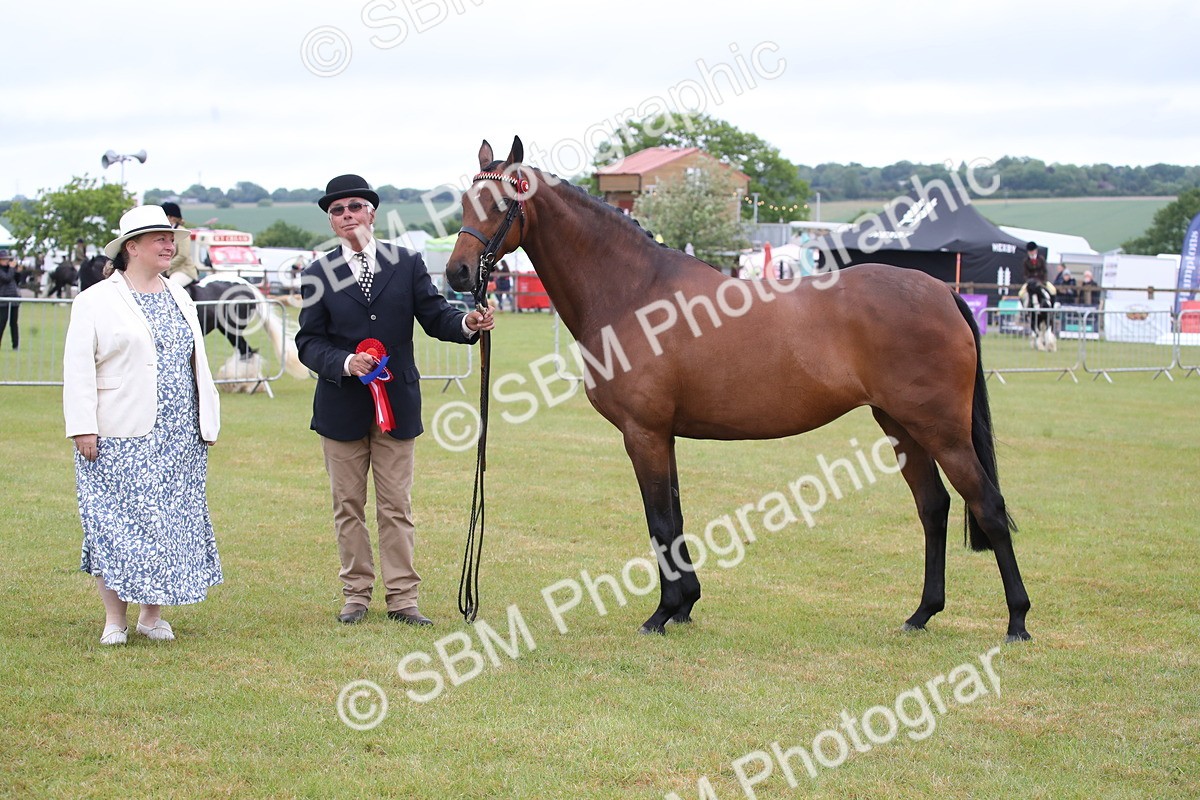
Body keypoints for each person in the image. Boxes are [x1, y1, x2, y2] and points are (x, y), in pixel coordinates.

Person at [295, 174, 495, 626]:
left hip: (397, 407)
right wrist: (346, 362)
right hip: (340, 407)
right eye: (337, 211)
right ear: (331, 222)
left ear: (372, 212)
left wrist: (467, 325)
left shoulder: (406, 263)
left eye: (354, 207)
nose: (347, 215)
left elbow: (434, 315)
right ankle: (356, 595)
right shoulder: (316, 273)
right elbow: (308, 341)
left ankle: (403, 599)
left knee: (396, 507)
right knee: (348, 507)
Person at [63, 205, 223, 646]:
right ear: (132, 247)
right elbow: (78, 368)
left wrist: (205, 418)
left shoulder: (180, 295)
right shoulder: (95, 300)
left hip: (180, 433)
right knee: (115, 525)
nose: (170, 244)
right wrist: (82, 426)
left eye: (171, 238)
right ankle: (114, 620)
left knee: (169, 523)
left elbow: (194, 361)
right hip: (118, 431)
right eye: (160, 238)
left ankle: (152, 616)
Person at [161, 201, 201, 292]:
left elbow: (183, 255)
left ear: (171, 217)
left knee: (171, 287)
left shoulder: (182, 232)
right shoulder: (167, 232)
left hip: (183, 270)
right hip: (169, 269)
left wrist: (166, 265)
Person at [0, 248, 20, 350]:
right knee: (2, 323)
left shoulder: (10, 269)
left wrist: (18, 271)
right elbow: (6, 278)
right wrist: (12, 269)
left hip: (14, 300)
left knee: (14, 323)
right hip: (3, 301)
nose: (6, 261)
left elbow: (17, 280)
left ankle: (15, 345)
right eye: (4, 259)